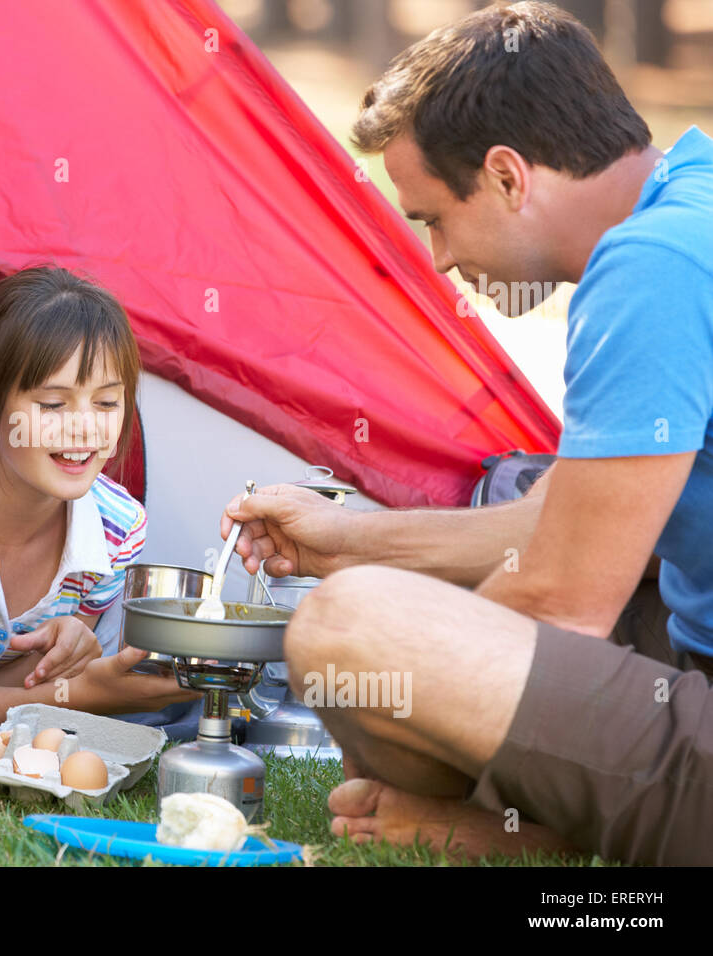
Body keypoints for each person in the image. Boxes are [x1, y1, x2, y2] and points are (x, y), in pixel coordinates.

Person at [222, 1, 713, 864]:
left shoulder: (652, 266)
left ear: (508, 176)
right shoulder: (691, 196)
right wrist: (344, 540)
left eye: (434, 219)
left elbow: (567, 598)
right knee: (510, 506)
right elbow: (571, 524)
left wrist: (409, 692)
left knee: (346, 632)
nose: (442, 259)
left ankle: (542, 833)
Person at [0, 267, 194, 724]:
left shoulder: (118, 529)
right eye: (53, 404)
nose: (86, 427)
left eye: (106, 402)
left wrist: (62, 662)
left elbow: (12, 693)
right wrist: (83, 695)